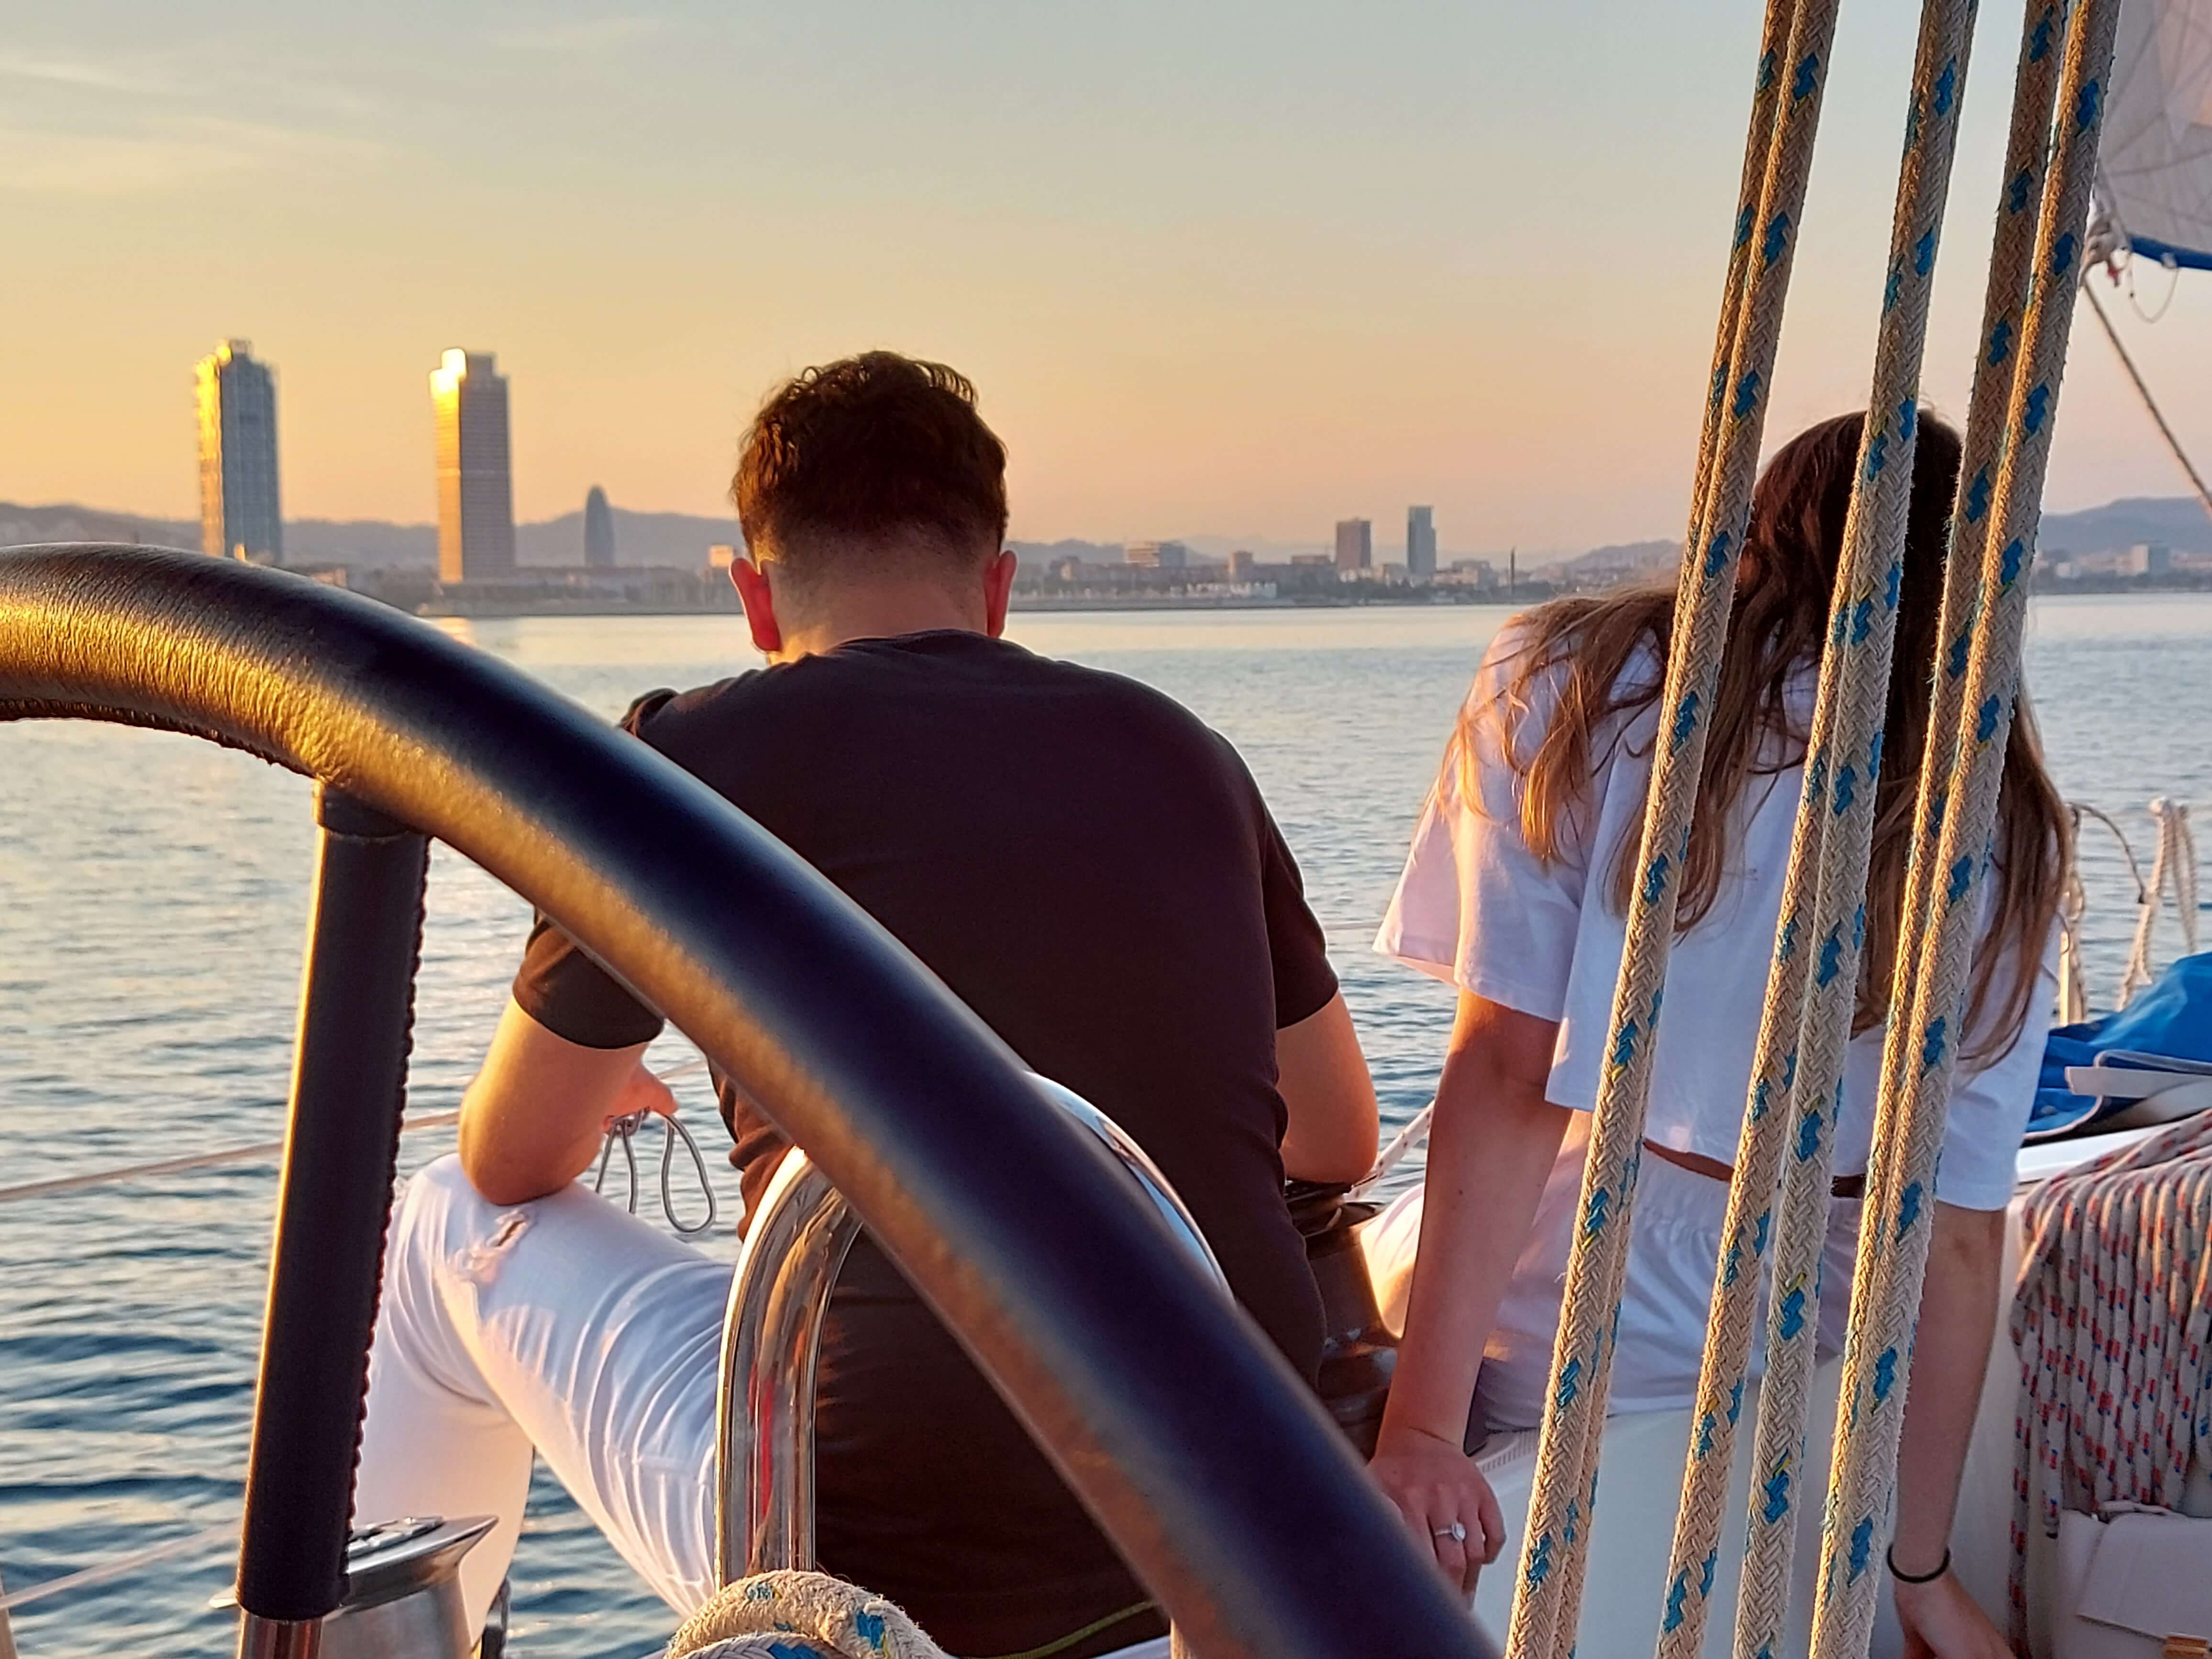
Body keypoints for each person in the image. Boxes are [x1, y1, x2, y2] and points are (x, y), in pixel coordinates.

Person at [355, 352, 1380, 1659]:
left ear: (751, 596)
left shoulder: (686, 761)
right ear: (1000, 588)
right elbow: (1339, 1134)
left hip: (868, 1553)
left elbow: (511, 1157)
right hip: (1232, 1530)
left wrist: (603, 1071)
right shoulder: (1184, 749)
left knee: (449, 1218)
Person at [1362, 411, 2064, 1656]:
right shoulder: (1995, 803)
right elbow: (1955, 1238)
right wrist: (1918, 1572)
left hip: (1618, 1296)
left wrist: (1420, 1431)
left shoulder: (1578, 678)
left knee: (1376, 1257)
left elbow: (1509, 1071)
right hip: (1852, 1299)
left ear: (1752, 539)